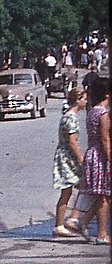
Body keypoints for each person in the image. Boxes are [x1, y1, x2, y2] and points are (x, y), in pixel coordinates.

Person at [73, 78, 110, 244]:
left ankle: (84, 220)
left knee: (103, 196)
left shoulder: (92, 111)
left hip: (92, 154)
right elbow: (104, 138)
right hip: (100, 157)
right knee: (103, 196)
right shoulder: (103, 113)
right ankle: (101, 234)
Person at [52, 87, 87, 238]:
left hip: (67, 157)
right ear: (77, 100)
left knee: (73, 189)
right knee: (67, 191)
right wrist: (82, 159)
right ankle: (62, 224)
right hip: (67, 158)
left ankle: (72, 219)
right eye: (84, 98)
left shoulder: (68, 116)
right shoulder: (70, 118)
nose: (86, 101)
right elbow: (72, 142)